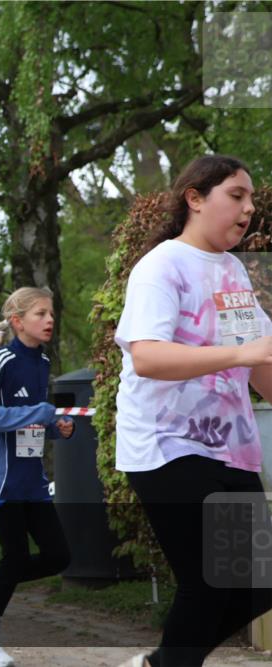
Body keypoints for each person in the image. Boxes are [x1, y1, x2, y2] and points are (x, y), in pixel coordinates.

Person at [113, 155, 272, 667]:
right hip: (167, 447)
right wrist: (243, 354)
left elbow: (260, 366)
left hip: (232, 449)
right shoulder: (161, 265)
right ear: (195, 199)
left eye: (251, 199)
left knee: (257, 588)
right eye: (236, 195)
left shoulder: (233, 273)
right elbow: (148, 356)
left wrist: (253, 359)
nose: (249, 207)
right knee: (207, 583)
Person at [0, 287, 74, 667]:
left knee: (59, 555)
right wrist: (36, 413)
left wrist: (57, 427)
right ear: (17, 321)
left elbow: (34, 417)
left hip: (33, 480)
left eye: (51, 313)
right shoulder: (2, 359)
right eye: (41, 313)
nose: (49, 320)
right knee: (16, 555)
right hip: (3, 480)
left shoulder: (41, 363)